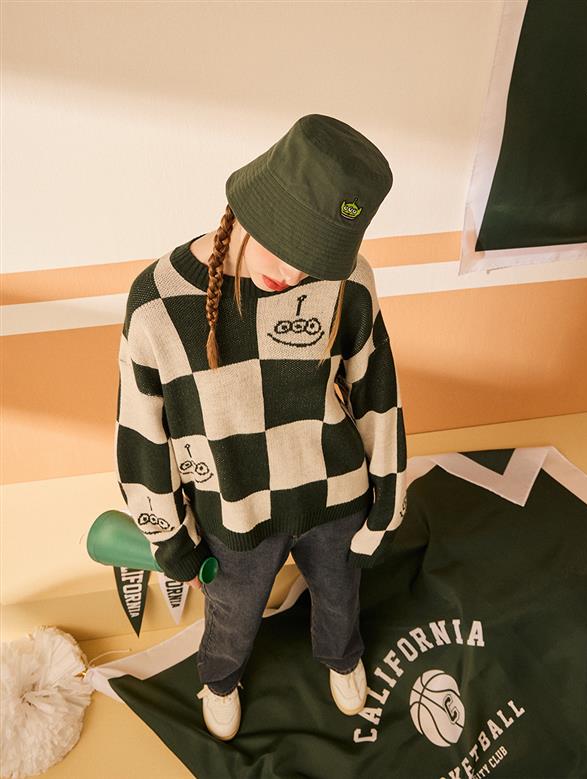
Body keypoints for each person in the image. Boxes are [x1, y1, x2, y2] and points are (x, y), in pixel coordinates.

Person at [115, 113, 408, 742]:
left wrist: (386, 500)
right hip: (233, 508)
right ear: (250, 206)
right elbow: (141, 435)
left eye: (315, 259)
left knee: (340, 595)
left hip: (334, 494)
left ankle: (342, 656)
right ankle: (220, 679)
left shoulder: (350, 282)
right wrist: (170, 536)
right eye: (287, 247)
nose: (296, 275)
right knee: (231, 615)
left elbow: (378, 394)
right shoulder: (157, 303)